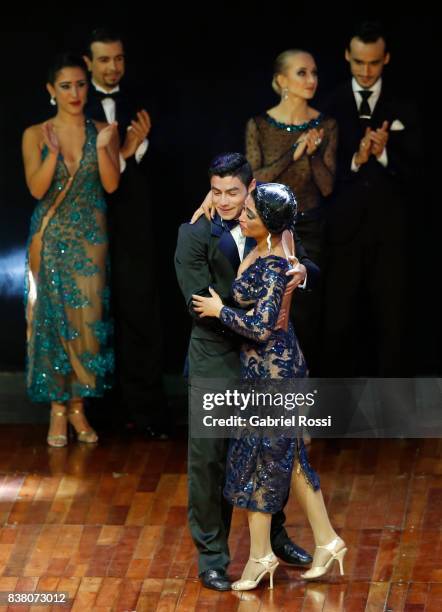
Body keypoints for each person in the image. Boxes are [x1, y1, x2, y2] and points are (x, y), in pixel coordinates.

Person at [175, 153, 319, 591]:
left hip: (264, 364)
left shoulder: (272, 223)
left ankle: (274, 540)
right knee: (210, 461)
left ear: (250, 189)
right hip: (216, 359)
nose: (222, 201)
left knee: (273, 453)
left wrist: (296, 274)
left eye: (232, 192)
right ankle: (213, 557)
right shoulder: (195, 232)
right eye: (216, 192)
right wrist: (262, 304)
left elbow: (307, 263)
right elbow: (200, 302)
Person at [192, 183, 346, 590]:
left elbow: (260, 328)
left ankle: (262, 557)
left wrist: (219, 309)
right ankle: (325, 541)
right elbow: (268, 211)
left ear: (271, 228)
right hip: (265, 371)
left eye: (250, 215)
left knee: (260, 462)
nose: (242, 217)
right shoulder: (268, 243)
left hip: (275, 374)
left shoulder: (277, 264)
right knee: (289, 460)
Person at [22, 54, 120, 447]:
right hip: (50, 237)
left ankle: (79, 406)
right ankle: (57, 411)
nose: (75, 93)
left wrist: (106, 147)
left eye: (81, 85)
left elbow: (111, 186)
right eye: (66, 86)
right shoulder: (35, 133)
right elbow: (36, 189)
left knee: (86, 327)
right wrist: (56, 155)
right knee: (50, 322)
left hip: (91, 242)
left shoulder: (101, 130)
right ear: (51, 91)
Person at [320, 21, 422, 376]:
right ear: (347, 56)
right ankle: (337, 416)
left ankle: (390, 415)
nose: (365, 71)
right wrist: (356, 160)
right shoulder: (327, 103)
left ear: (386, 59)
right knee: (337, 321)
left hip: (391, 233)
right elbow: (319, 174)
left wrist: (383, 155)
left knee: (391, 321)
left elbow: (422, 170)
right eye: (359, 62)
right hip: (342, 233)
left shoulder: (406, 104)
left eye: (374, 63)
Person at [83, 28, 166, 436]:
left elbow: (164, 160)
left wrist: (139, 148)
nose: (113, 67)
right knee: (97, 319)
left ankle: (148, 414)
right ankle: (100, 416)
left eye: (118, 59)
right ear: (88, 63)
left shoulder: (143, 102)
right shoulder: (75, 105)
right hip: (89, 226)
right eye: (103, 60)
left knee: (141, 317)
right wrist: (126, 151)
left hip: (135, 228)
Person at [244, 49, 337, 374]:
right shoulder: (258, 124)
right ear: (281, 80)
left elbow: (327, 187)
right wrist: (294, 152)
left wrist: (311, 155)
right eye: (302, 73)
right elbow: (255, 179)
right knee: (268, 315)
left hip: (308, 231)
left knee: (307, 316)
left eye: (313, 73)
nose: (311, 80)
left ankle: (304, 407)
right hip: (265, 235)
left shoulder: (325, 124)